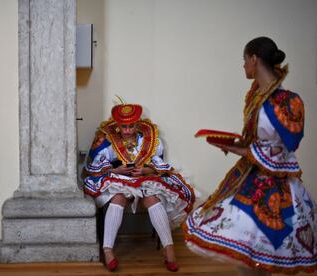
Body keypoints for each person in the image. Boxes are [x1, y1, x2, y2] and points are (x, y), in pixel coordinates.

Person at [183, 37, 317, 275]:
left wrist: (237, 148)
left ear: (254, 59)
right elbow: (256, 139)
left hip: (275, 183)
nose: (243, 66)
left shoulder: (287, 101)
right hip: (252, 174)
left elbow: (284, 148)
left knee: (259, 250)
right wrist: (232, 143)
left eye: (244, 60)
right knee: (246, 255)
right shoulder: (257, 94)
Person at [83, 103, 196, 272]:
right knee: (118, 198)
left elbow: (158, 164)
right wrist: (116, 170)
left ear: (137, 124)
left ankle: (169, 248)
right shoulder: (108, 139)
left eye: (131, 126)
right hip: (118, 179)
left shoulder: (148, 139)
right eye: (123, 126)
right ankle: (108, 250)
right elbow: (96, 165)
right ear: (117, 125)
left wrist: (145, 170)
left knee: (152, 199)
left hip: (143, 178)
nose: (127, 130)